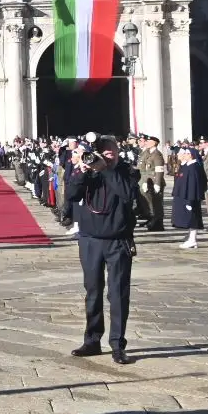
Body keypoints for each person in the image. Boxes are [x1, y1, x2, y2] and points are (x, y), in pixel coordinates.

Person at [64, 135, 139, 365]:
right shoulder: (89, 171)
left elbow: (127, 193)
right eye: (102, 153)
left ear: (117, 152)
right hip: (90, 240)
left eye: (110, 152)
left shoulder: (127, 171)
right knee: (93, 292)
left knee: (117, 293)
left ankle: (117, 344)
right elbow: (71, 194)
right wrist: (83, 170)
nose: (107, 155)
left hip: (118, 241)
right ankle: (92, 340)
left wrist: (105, 169)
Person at [172, 145, 204, 250]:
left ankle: (192, 239)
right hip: (185, 196)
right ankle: (191, 238)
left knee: (192, 218)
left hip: (190, 197)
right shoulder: (188, 166)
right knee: (188, 218)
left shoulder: (194, 168)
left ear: (190, 155)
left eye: (185, 153)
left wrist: (190, 200)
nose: (183, 155)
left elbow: (193, 185)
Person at [137, 135, 167, 231]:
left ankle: (158, 223)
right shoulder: (148, 153)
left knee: (157, 203)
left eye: (149, 141)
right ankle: (153, 220)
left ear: (154, 143)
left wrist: (157, 183)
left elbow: (159, 170)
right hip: (147, 182)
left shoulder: (157, 154)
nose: (147, 142)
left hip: (154, 182)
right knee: (151, 204)